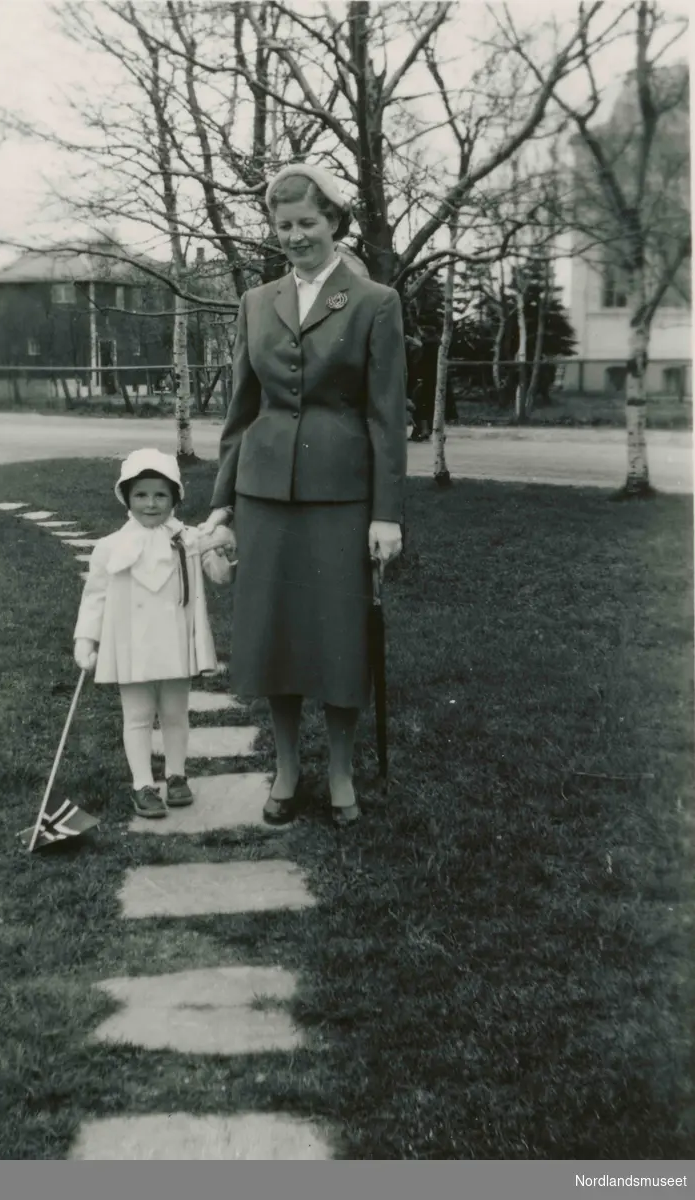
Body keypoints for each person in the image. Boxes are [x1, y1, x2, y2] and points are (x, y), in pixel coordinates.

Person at [199, 162, 407, 828]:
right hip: (264, 497)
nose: (294, 236)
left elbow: (385, 418)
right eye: (282, 225)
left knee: (340, 641)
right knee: (276, 640)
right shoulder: (255, 304)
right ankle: (287, 769)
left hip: (342, 500)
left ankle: (341, 773)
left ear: (336, 224)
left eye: (306, 223)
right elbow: (240, 410)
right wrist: (221, 503)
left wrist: (386, 515)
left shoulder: (375, 302)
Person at [73, 448, 236, 819]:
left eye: (161, 495)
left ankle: (176, 775)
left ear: (175, 497)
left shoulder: (190, 539)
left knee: (176, 713)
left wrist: (226, 551)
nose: (150, 503)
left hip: (175, 643)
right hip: (132, 646)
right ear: (126, 497)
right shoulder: (110, 548)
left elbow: (220, 574)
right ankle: (143, 784)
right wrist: (86, 640)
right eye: (141, 495)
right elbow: (94, 598)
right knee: (138, 716)